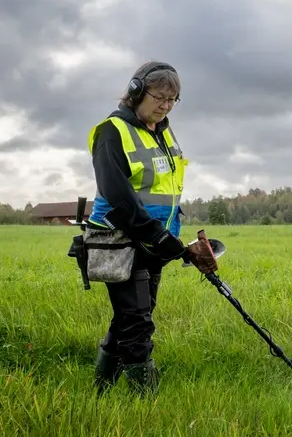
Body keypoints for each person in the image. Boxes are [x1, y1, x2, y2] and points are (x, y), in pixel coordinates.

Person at [85, 60, 219, 395]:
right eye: (159, 97)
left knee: (133, 315)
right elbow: (118, 197)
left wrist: (166, 238)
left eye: (172, 100)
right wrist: (160, 237)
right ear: (136, 92)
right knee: (137, 320)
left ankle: (101, 388)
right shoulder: (111, 132)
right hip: (119, 240)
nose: (165, 105)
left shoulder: (161, 130)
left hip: (153, 242)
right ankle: (144, 399)